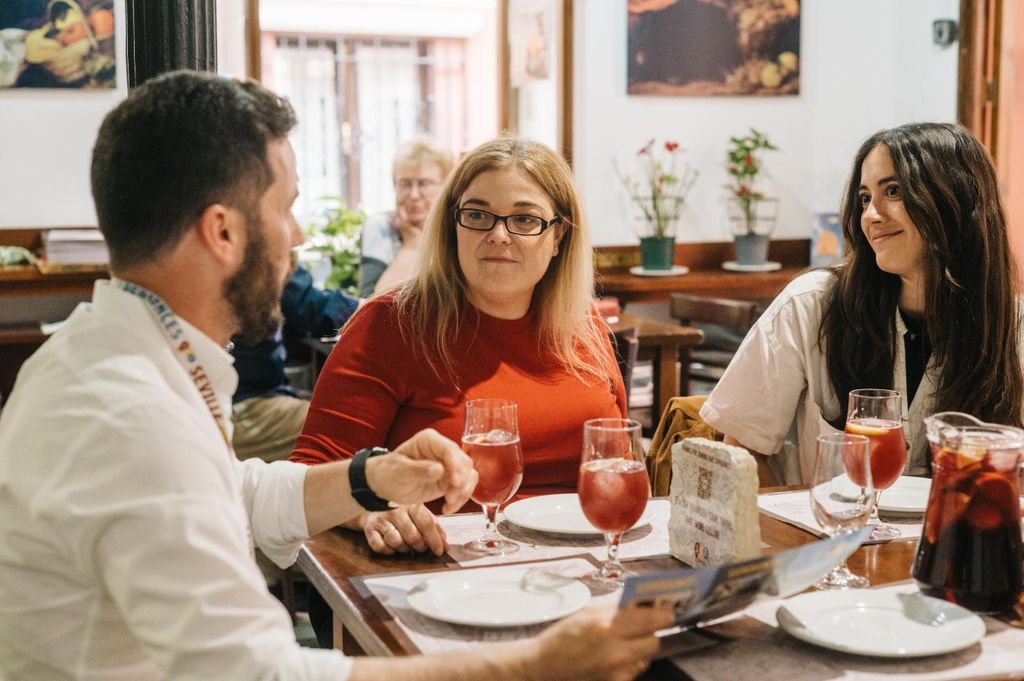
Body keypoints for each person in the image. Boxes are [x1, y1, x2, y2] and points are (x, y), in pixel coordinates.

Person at [0, 70, 672, 681]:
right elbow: (260, 674)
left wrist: (371, 478)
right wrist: (532, 664)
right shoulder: (125, 411)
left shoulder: (126, 360)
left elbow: (240, 490)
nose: (295, 236)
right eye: (285, 207)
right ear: (222, 231)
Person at [292, 136, 628, 554]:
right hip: (436, 562)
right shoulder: (391, 324)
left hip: (583, 559)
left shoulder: (585, 324)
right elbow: (307, 477)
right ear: (453, 225)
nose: (499, 235)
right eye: (478, 215)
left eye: (525, 219)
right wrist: (367, 512)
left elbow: (622, 460)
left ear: (558, 236)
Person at [700, 122, 1024, 486]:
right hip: (825, 535)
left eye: (894, 191)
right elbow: (741, 451)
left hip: (954, 538)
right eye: (865, 197)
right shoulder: (811, 305)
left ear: (955, 202)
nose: (870, 215)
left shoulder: (1012, 328)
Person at [231, 264, 359, 462]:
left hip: (239, 398)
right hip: (245, 405)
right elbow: (310, 306)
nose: (298, 237)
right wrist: (371, 309)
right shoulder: (257, 255)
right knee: (356, 427)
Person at [357, 138, 455, 297]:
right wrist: (412, 245)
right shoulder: (380, 227)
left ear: (446, 186)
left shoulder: (459, 227)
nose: (414, 195)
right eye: (405, 184)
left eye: (424, 183)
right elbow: (370, 303)